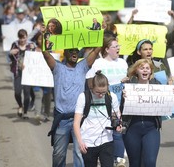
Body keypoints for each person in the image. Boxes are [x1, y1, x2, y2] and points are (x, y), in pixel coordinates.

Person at [42, 30, 101, 167]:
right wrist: (45, 35)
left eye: (76, 51)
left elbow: (96, 50)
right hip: (61, 119)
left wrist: (99, 32)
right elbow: (45, 53)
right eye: (71, 51)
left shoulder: (83, 67)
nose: (74, 53)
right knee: (59, 154)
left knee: (80, 152)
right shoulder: (57, 67)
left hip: (78, 119)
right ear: (65, 53)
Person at [86, 36, 128, 167]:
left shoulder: (123, 63)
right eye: (115, 47)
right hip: (104, 102)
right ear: (107, 49)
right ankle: (104, 157)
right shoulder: (99, 63)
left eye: (118, 46)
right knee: (109, 131)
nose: (118, 48)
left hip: (122, 102)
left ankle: (119, 160)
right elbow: (90, 80)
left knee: (119, 130)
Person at [74, 71, 121, 167]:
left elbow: (116, 116)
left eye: (103, 92)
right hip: (88, 141)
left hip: (106, 140)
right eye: (97, 92)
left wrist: (118, 125)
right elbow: (76, 122)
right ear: (92, 88)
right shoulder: (83, 97)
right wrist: (80, 142)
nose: (100, 95)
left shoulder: (112, 97)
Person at [120, 59, 162, 167]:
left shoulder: (157, 85)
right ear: (136, 71)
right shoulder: (129, 86)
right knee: (135, 163)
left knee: (150, 162)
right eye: (142, 68)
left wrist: (170, 93)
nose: (145, 70)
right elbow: (121, 109)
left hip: (151, 129)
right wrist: (124, 98)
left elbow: (165, 105)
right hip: (132, 129)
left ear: (151, 72)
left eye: (147, 68)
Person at [9, 29, 36, 119]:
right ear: (18, 37)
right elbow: (11, 57)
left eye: (24, 37)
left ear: (27, 37)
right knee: (17, 92)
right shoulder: (15, 44)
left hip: (28, 73)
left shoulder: (30, 45)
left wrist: (34, 49)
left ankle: (25, 112)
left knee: (27, 93)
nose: (22, 40)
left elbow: (36, 57)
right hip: (18, 72)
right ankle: (20, 105)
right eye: (21, 38)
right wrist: (10, 53)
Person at [30, 31, 52, 122]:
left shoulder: (51, 50)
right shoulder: (32, 51)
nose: (41, 41)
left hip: (47, 78)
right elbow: (28, 62)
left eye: (43, 39)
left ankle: (46, 114)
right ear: (36, 40)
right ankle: (37, 113)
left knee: (47, 96)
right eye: (39, 39)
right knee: (38, 95)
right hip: (36, 78)